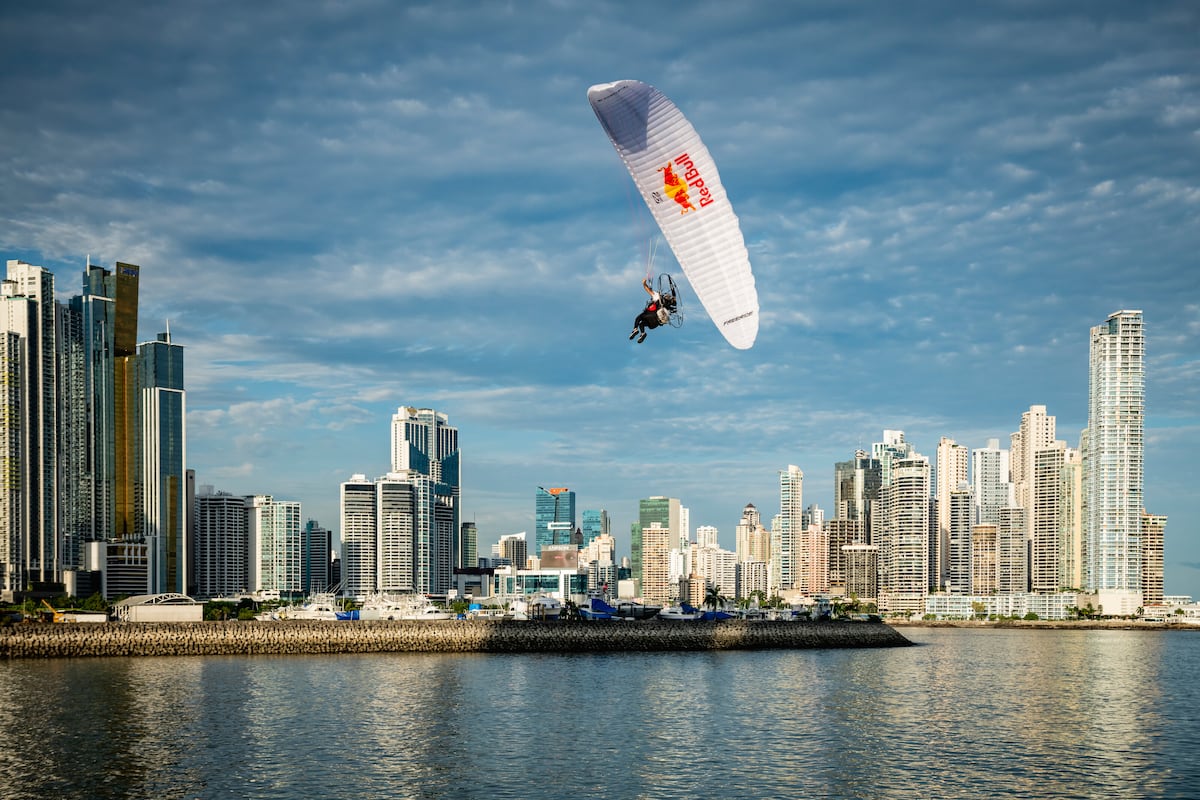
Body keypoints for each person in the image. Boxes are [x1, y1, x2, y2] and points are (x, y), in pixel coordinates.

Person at [630, 278, 677, 343]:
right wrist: (671, 284)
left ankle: (635, 329)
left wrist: (644, 283)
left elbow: (647, 289)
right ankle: (642, 334)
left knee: (638, 318)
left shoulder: (658, 296)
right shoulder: (670, 305)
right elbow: (674, 296)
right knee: (641, 324)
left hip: (650, 314)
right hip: (655, 323)